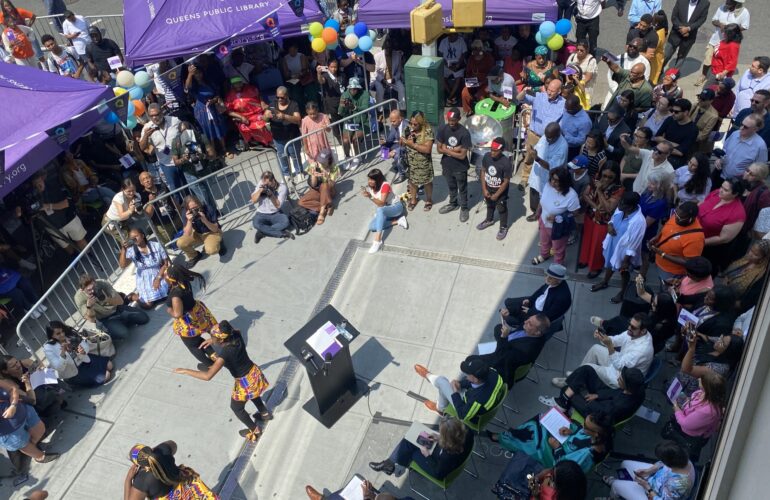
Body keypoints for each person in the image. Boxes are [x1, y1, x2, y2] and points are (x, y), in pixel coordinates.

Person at [175, 321, 270, 441]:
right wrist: (213, 340)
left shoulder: (225, 354)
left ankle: (255, 430)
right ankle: (265, 413)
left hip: (245, 381)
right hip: (254, 372)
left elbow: (208, 376)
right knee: (253, 394)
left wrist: (186, 371)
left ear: (221, 340)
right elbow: (237, 331)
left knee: (237, 408)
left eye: (212, 336)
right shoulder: (236, 335)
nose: (210, 338)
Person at [554, 313, 654, 389]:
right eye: (629, 324)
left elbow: (619, 366)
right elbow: (616, 340)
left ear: (643, 331)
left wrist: (609, 345)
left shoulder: (642, 350)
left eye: (632, 327)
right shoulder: (634, 333)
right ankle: (577, 377)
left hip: (620, 378)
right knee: (595, 349)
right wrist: (603, 337)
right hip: (620, 361)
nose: (628, 328)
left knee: (589, 367)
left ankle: (570, 384)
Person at [491, 412, 613, 473]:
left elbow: (563, 468)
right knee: (541, 419)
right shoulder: (602, 436)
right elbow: (581, 433)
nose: (581, 425)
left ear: (596, 434)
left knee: (531, 437)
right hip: (564, 444)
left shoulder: (587, 454)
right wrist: (572, 431)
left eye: (585, 425)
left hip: (556, 458)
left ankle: (504, 439)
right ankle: (510, 436)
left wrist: (556, 447)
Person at [368, 416, 474, 479]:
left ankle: (393, 466)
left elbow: (439, 473)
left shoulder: (447, 456)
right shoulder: (468, 431)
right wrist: (439, 438)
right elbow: (455, 440)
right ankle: (391, 464)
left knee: (413, 451)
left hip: (440, 468)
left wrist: (427, 456)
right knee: (410, 441)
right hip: (453, 455)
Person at [541, 365, 646, 424]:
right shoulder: (638, 389)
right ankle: (563, 402)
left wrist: (587, 399)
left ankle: (563, 403)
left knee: (567, 390)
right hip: (607, 400)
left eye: (621, 379)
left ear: (627, 386)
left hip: (596, 414)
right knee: (587, 370)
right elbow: (616, 392)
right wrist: (598, 395)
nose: (618, 379)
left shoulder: (620, 405)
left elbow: (601, 412)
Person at [591, 192, 646, 301]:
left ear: (630, 207)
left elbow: (633, 245)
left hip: (624, 253)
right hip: (613, 245)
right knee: (609, 264)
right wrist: (610, 225)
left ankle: (622, 293)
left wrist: (625, 261)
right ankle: (605, 282)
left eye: (622, 203)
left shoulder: (639, 221)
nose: (618, 205)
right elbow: (612, 219)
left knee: (623, 272)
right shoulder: (621, 209)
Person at [414, 355, 504, 421]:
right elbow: (474, 383)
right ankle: (440, 408)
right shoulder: (493, 373)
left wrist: (455, 392)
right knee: (444, 388)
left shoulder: (477, 401)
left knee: (442, 381)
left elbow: (462, 415)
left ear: (476, 379)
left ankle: (428, 376)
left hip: (468, 409)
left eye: (467, 375)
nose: (466, 376)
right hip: (480, 397)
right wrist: (460, 384)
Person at [163, 264, 218, 371]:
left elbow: (178, 314)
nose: (164, 276)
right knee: (198, 339)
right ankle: (214, 356)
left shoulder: (175, 295)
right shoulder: (184, 281)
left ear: (171, 279)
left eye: (166, 275)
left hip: (189, 321)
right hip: (198, 312)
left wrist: (170, 311)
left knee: (193, 345)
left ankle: (210, 365)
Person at [517, 79, 565, 190]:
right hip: (534, 135)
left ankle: (545, 182)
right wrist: (524, 91)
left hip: (549, 139)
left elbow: (562, 123)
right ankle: (525, 178)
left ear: (559, 91)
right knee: (529, 157)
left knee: (545, 161)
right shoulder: (539, 96)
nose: (549, 92)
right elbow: (518, 99)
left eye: (553, 91)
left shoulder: (563, 104)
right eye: (548, 89)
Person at [124, 441, 216, 499]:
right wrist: (155, 452)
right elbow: (173, 445)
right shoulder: (163, 451)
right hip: (188, 489)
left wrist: (128, 479)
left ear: (138, 464)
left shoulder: (142, 480)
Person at [606, 440, 695, 499]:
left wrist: (646, 487)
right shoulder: (682, 457)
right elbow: (661, 463)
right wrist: (648, 471)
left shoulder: (680, 484)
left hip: (652, 494)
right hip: (654, 481)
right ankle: (627, 487)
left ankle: (615, 494)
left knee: (615, 485)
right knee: (624, 464)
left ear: (669, 462)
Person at [479, 314, 551, 386]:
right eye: (528, 319)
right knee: (498, 328)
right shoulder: (534, 333)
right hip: (510, 345)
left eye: (530, 324)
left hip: (503, 362)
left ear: (537, 332)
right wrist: (508, 314)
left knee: (471, 360)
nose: (525, 321)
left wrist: (504, 338)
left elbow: (502, 355)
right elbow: (523, 319)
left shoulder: (524, 350)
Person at [580, 162, 625, 277]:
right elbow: (585, 195)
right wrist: (596, 207)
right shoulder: (595, 179)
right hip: (591, 215)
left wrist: (599, 191)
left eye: (610, 177)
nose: (606, 179)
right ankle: (585, 259)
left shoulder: (618, 189)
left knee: (597, 245)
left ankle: (595, 267)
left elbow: (609, 208)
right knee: (587, 240)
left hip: (604, 221)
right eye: (604, 175)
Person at [74, 273, 149, 341]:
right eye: (89, 290)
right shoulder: (79, 297)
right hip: (104, 319)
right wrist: (89, 306)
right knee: (124, 334)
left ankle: (121, 323)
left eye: (94, 287)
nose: (93, 291)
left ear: (95, 282)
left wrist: (108, 299)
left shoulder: (102, 283)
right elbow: (92, 319)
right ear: (82, 290)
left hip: (116, 309)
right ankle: (111, 330)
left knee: (144, 318)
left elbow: (120, 301)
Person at [0, 379, 59, 464]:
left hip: (23, 410)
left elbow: (12, 389)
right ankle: (40, 457)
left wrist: (13, 405)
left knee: (40, 429)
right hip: (9, 432)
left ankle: (32, 445)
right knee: (23, 444)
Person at [29, 171, 88, 254]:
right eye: (35, 183)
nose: (37, 184)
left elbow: (65, 203)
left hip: (68, 218)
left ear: (42, 178)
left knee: (80, 240)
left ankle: (90, 257)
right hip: (52, 225)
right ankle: (77, 259)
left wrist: (48, 206)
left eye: (38, 181)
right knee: (66, 247)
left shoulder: (53, 185)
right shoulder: (32, 195)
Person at [647, 201, 705, 283]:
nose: (676, 218)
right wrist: (657, 237)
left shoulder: (696, 238)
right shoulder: (678, 215)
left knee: (666, 290)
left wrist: (663, 254)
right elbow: (667, 226)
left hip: (672, 272)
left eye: (680, 218)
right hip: (660, 263)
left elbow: (688, 261)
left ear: (691, 219)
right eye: (676, 214)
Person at [43, 321, 114, 387]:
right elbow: (59, 367)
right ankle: (75, 383)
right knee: (106, 376)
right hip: (73, 372)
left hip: (83, 360)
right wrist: (63, 353)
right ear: (52, 335)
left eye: (62, 331)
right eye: (58, 333)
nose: (62, 334)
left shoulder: (69, 334)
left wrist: (83, 351)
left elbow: (85, 346)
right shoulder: (48, 348)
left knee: (110, 365)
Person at [696, 0, 750, 86]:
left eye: (730, 1)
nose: (727, 2)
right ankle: (704, 75)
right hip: (716, 40)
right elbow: (714, 20)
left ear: (736, 3)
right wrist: (720, 24)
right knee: (707, 60)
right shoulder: (722, 7)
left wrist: (730, 29)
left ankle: (718, 78)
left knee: (724, 62)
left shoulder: (744, 12)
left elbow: (745, 26)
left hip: (729, 43)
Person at [699, 178, 746, 274]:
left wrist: (699, 242)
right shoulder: (716, 193)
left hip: (709, 249)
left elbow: (723, 238)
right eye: (721, 187)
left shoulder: (737, 213)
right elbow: (702, 203)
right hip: (693, 237)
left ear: (735, 194)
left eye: (725, 190)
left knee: (700, 271)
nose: (721, 190)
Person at [502, 264, 572, 327]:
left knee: (509, 319)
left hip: (540, 314)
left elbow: (547, 316)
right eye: (546, 275)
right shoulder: (554, 282)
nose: (546, 278)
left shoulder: (561, 298)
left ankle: (520, 324)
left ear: (559, 280)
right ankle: (515, 313)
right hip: (538, 303)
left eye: (550, 277)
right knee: (508, 302)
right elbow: (540, 291)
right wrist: (530, 300)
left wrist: (530, 312)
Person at [118, 227, 170, 309]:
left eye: (136, 236)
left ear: (142, 235)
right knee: (148, 306)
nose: (134, 239)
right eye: (132, 238)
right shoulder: (131, 250)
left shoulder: (155, 245)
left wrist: (158, 278)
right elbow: (122, 265)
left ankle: (150, 294)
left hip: (159, 272)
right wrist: (123, 250)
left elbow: (166, 263)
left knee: (168, 296)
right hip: (144, 277)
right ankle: (133, 296)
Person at [527, 122, 569, 221]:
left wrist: (537, 158)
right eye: (546, 136)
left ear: (558, 134)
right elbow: (538, 147)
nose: (547, 139)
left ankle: (541, 216)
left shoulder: (562, 147)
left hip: (549, 176)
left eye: (550, 138)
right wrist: (532, 151)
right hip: (537, 173)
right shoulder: (546, 137)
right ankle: (534, 212)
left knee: (545, 198)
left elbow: (552, 166)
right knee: (534, 192)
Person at [435, 108, 472, 222]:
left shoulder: (464, 133)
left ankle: (464, 208)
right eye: (449, 120)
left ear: (459, 119)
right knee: (451, 186)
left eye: (454, 120)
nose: (451, 123)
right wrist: (455, 150)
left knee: (462, 188)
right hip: (447, 164)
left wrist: (447, 150)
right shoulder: (443, 129)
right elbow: (438, 149)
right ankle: (453, 203)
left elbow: (462, 156)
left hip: (460, 167)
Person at [140, 104, 184, 194]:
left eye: (157, 114)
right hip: (166, 164)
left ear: (162, 112)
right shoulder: (147, 128)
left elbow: (185, 133)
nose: (155, 117)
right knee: (175, 191)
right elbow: (142, 147)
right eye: (152, 116)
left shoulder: (174, 120)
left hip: (182, 159)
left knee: (191, 186)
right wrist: (146, 136)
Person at [717, 240, 770, 313]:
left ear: (763, 258)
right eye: (751, 250)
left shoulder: (759, 277)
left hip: (729, 305)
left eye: (756, 254)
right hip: (719, 292)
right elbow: (728, 274)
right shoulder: (745, 260)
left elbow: (744, 303)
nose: (750, 254)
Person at [362, 168, 407, 254]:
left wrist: (370, 197)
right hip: (386, 210)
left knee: (380, 210)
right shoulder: (372, 187)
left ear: (378, 180)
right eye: (369, 179)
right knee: (372, 226)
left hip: (396, 207)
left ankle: (377, 240)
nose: (369, 181)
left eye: (372, 179)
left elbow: (382, 204)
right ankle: (398, 221)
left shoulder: (385, 186)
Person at [715, 113, 768, 183]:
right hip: (720, 174)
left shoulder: (760, 146)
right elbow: (725, 150)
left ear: (755, 129)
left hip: (738, 183)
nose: (741, 128)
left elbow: (760, 170)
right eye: (742, 124)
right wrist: (719, 159)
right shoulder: (735, 134)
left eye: (746, 127)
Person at [477, 137, 512, 240]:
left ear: (501, 150)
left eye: (495, 151)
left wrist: (497, 195)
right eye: (491, 149)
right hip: (488, 188)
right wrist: (484, 189)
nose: (492, 152)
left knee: (501, 208)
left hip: (500, 192)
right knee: (490, 204)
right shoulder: (487, 157)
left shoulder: (506, 163)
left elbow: (506, 181)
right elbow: (483, 171)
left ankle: (503, 227)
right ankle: (489, 220)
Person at [176, 194, 225, 268]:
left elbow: (215, 228)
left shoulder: (208, 208)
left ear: (199, 204)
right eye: (192, 209)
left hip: (211, 232)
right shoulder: (185, 213)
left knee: (211, 250)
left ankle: (220, 242)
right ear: (187, 209)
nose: (195, 211)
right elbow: (187, 233)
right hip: (198, 234)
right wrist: (189, 221)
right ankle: (194, 256)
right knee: (180, 243)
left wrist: (204, 220)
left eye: (196, 208)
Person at [224, 76, 273, 149]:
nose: (238, 86)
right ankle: (256, 142)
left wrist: (262, 102)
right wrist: (241, 117)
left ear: (242, 83)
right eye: (235, 84)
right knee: (245, 127)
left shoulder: (251, 89)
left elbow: (259, 96)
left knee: (261, 125)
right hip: (243, 117)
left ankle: (268, 141)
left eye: (239, 83)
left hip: (257, 113)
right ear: (232, 85)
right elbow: (229, 111)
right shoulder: (229, 96)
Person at [603, 39, 651, 108]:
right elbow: (611, 74)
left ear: (639, 48)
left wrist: (627, 95)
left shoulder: (644, 62)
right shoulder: (620, 57)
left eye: (634, 47)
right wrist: (616, 90)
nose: (631, 48)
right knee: (605, 110)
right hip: (614, 91)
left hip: (629, 98)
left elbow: (644, 80)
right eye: (630, 46)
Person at [663, 0, 711, 70]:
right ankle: (658, 72)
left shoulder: (705, 3)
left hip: (689, 36)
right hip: (675, 34)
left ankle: (673, 75)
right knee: (666, 55)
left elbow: (702, 19)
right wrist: (682, 29)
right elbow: (674, 17)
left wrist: (689, 28)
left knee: (681, 58)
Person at [401, 111, 435, 211]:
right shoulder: (408, 129)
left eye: (415, 124)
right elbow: (402, 143)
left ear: (421, 123)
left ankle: (428, 200)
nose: (412, 126)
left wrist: (412, 144)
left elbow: (427, 149)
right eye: (411, 123)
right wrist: (403, 141)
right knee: (412, 182)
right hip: (410, 163)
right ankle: (413, 200)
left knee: (427, 182)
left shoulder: (428, 131)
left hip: (423, 163)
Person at [268, 86, 303, 179]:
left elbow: (297, 119)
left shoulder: (293, 104)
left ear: (287, 96)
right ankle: (286, 174)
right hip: (278, 138)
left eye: (282, 97)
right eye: (277, 97)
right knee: (283, 157)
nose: (279, 99)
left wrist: (284, 116)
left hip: (292, 137)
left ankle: (299, 172)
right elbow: (264, 118)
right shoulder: (272, 104)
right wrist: (265, 116)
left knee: (295, 155)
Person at [337, 77, 371, 171]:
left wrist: (355, 107)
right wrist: (342, 106)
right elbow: (340, 113)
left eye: (355, 88)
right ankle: (347, 157)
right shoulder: (345, 94)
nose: (353, 90)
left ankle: (357, 157)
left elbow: (366, 108)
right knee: (345, 141)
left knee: (355, 140)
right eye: (351, 88)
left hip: (362, 122)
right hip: (349, 123)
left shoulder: (365, 94)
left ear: (359, 88)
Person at [654, 98, 698, 168]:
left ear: (686, 112)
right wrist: (675, 145)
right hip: (660, 151)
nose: (673, 113)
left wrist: (663, 141)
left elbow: (680, 153)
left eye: (676, 112)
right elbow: (656, 138)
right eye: (672, 111)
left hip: (675, 159)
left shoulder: (692, 129)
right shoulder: (670, 119)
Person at [250, 171, 292, 242]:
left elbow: (278, 206)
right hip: (261, 213)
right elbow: (253, 200)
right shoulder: (261, 183)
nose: (265, 185)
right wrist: (260, 191)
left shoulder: (282, 188)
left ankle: (262, 232)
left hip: (275, 213)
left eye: (268, 184)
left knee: (285, 221)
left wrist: (270, 194)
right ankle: (281, 234)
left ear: (273, 180)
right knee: (255, 223)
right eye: (264, 183)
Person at [299, 149, 339, 224]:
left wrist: (327, 178)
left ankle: (321, 213)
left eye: (323, 161)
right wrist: (314, 176)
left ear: (329, 160)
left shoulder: (334, 168)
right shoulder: (314, 165)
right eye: (320, 160)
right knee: (301, 202)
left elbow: (332, 185)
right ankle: (327, 206)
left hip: (329, 190)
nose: (321, 162)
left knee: (324, 185)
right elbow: (313, 185)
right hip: (317, 190)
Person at [460, 39, 496, 114]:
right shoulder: (471, 58)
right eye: (474, 49)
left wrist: (482, 82)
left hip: (485, 83)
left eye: (477, 48)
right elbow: (468, 73)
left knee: (480, 95)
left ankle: (483, 112)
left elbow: (492, 73)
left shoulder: (488, 58)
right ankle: (468, 111)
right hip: (473, 82)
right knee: (464, 92)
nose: (476, 51)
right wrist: (469, 82)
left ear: (481, 48)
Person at [372, 36, 406, 110]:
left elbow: (399, 71)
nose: (388, 50)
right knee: (380, 90)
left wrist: (395, 78)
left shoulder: (397, 55)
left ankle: (402, 109)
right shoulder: (377, 56)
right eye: (387, 48)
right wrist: (382, 80)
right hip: (380, 79)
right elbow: (375, 71)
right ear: (384, 48)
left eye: (390, 48)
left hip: (392, 79)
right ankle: (379, 110)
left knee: (401, 88)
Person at [280, 42, 315, 110]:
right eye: (291, 50)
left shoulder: (301, 56)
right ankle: (301, 110)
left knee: (311, 93)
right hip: (293, 80)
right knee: (296, 95)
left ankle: (313, 108)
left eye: (294, 50)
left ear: (297, 49)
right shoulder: (285, 59)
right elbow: (286, 73)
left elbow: (305, 69)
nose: (292, 52)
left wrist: (300, 74)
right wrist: (290, 75)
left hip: (304, 78)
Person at [438, 33, 468, 105]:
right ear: (449, 35)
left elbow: (464, 53)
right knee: (441, 77)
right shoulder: (443, 41)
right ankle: (451, 96)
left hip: (458, 63)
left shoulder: (461, 40)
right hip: (446, 64)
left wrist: (457, 65)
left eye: (456, 35)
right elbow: (440, 55)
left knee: (458, 79)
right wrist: (447, 66)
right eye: (452, 35)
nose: (455, 37)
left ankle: (449, 98)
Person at [379, 109, 408, 185]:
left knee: (397, 156)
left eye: (394, 121)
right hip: (400, 144)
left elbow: (407, 144)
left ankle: (402, 174)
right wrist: (384, 143)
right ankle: (400, 164)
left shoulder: (407, 126)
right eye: (391, 121)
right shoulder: (394, 125)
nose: (392, 123)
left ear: (400, 118)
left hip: (408, 147)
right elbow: (390, 139)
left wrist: (395, 151)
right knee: (384, 146)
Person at [300, 101, 332, 166]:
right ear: (307, 112)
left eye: (314, 113)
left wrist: (326, 128)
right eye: (310, 114)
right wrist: (306, 148)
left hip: (323, 145)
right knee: (314, 164)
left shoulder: (323, 116)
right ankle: (315, 175)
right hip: (312, 147)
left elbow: (329, 130)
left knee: (325, 161)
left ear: (317, 110)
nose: (312, 116)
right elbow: (304, 136)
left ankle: (326, 174)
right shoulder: (305, 120)